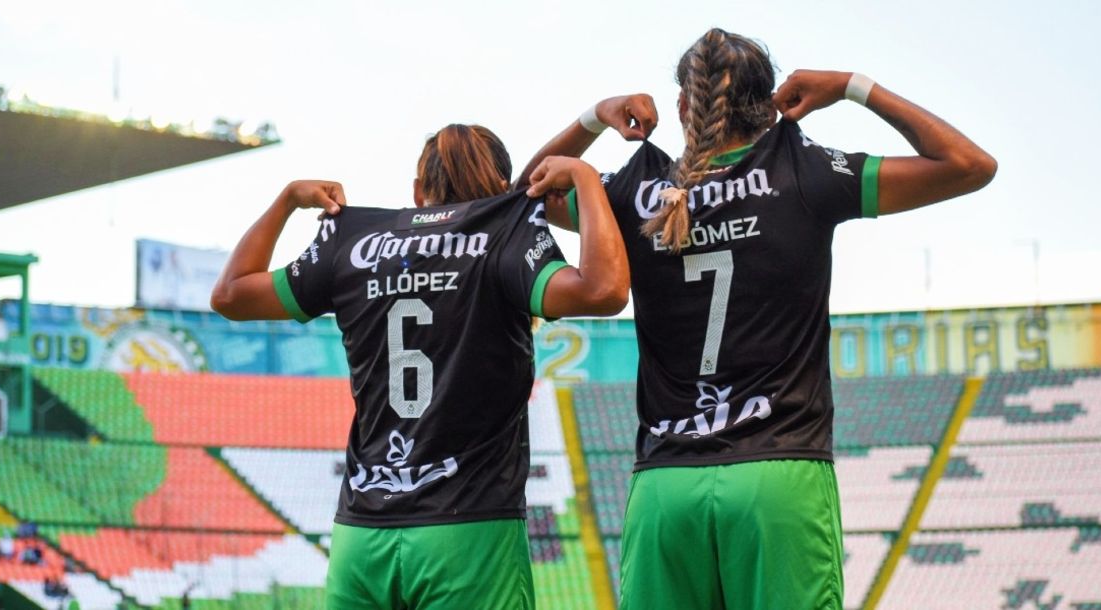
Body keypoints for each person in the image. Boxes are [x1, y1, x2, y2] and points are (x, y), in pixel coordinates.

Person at [519, 28, 996, 610]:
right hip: (778, 477)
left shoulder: (636, 191)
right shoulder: (804, 171)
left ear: (683, 105)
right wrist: (853, 87)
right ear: (770, 106)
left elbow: (524, 196)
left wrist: (595, 117)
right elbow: (969, 165)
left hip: (666, 485)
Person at [211, 123, 629, 610]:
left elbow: (230, 295)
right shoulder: (504, 234)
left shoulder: (350, 242)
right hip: (468, 533)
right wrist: (585, 179)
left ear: (416, 191)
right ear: (503, 189)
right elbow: (604, 290)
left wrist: (286, 201)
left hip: (361, 539)